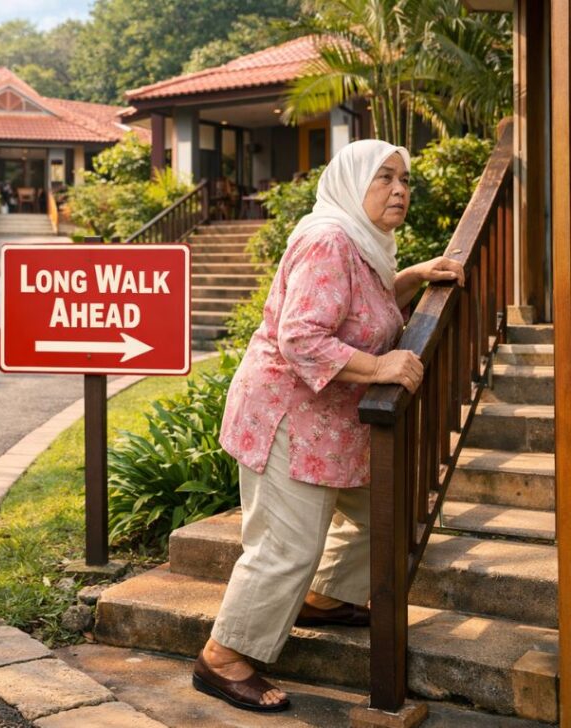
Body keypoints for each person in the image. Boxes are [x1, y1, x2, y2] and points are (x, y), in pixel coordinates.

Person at [193, 140, 466, 713]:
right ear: (351, 182)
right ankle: (223, 657)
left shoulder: (364, 243)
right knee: (286, 546)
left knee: (384, 509)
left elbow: (357, 308)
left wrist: (412, 277)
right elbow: (302, 336)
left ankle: (327, 594)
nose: (399, 189)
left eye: (405, 180)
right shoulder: (329, 239)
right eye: (384, 177)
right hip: (288, 416)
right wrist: (381, 365)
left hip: (331, 422)